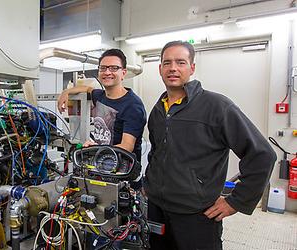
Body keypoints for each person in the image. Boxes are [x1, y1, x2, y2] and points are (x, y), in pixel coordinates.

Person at [145, 41, 276, 250]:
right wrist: (148, 185)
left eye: (181, 62)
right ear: (160, 68)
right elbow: (156, 152)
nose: (173, 68)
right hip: (157, 209)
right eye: (167, 63)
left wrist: (236, 201)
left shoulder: (217, 107)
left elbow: (262, 155)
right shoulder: (158, 110)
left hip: (196, 214)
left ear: (192, 68)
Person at [57, 49, 146, 160]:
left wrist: (97, 148)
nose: (107, 72)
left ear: (123, 73)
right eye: (103, 68)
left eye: (114, 68)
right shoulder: (100, 96)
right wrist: (66, 92)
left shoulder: (133, 105)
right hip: (101, 165)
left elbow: (127, 146)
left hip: (122, 171)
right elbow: (87, 89)